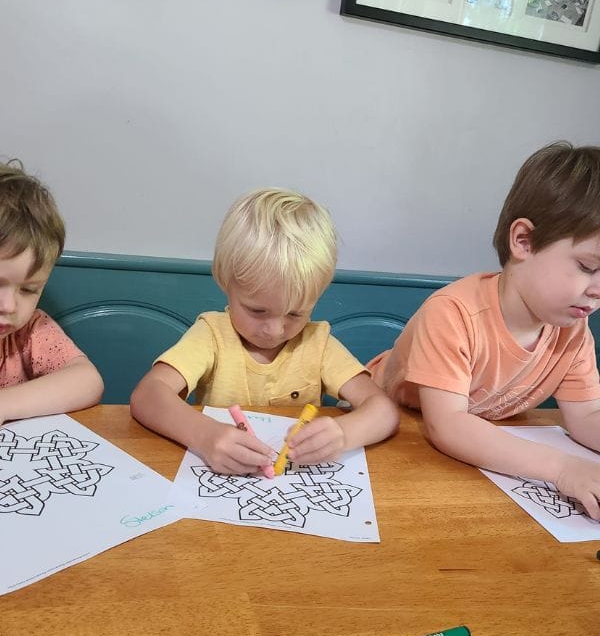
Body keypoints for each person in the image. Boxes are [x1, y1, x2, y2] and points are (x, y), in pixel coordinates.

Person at [368, 141, 600, 520]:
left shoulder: (572, 329)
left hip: (480, 448)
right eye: (588, 267)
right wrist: (564, 469)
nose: (598, 290)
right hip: (397, 434)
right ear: (523, 241)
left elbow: (588, 415)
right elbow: (448, 425)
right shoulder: (453, 313)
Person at [131, 188, 399, 474]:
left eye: (296, 313)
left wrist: (344, 433)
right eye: (257, 311)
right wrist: (204, 435)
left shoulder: (317, 343)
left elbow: (383, 410)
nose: (274, 330)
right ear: (225, 282)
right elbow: (148, 395)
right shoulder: (212, 335)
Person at [0, 162, 103, 424]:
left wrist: (5, 404)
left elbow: (88, 381)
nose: (9, 305)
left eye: (29, 289)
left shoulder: (30, 330)